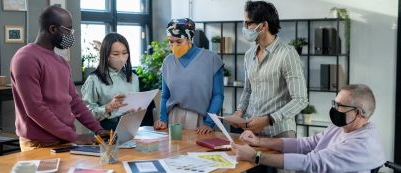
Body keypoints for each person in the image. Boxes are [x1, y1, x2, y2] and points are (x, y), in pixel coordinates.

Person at [10, 6, 107, 151]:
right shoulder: (25, 58)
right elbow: (35, 109)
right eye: (68, 29)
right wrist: (75, 137)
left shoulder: (61, 62)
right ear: (53, 29)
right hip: (39, 144)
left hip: (65, 140)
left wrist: (98, 129)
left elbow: (74, 102)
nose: (71, 34)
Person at [232, 84, 386, 172]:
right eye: (334, 103)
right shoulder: (341, 127)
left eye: (339, 105)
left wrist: (255, 157)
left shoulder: (362, 145)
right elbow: (305, 144)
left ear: (358, 112)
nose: (334, 109)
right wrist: (259, 141)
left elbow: (311, 163)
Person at [224, 1, 308, 138]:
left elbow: (300, 99)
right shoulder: (249, 54)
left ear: (263, 25)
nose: (244, 28)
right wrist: (238, 113)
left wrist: (268, 120)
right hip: (252, 132)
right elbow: (248, 90)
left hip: (280, 132)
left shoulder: (287, 54)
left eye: (248, 23)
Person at [153, 18, 224, 134]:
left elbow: (218, 95)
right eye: (171, 42)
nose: (174, 46)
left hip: (200, 122)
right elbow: (165, 95)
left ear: (189, 38)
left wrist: (209, 123)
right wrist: (163, 119)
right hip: (173, 120)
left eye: (179, 42)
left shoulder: (211, 59)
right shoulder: (168, 62)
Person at [81, 33, 139, 131]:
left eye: (124, 53)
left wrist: (136, 110)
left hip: (130, 127)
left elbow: (137, 105)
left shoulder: (133, 78)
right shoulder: (94, 80)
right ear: (106, 54)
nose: (121, 58)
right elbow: (86, 115)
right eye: (115, 54)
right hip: (104, 130)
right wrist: (108, 107)